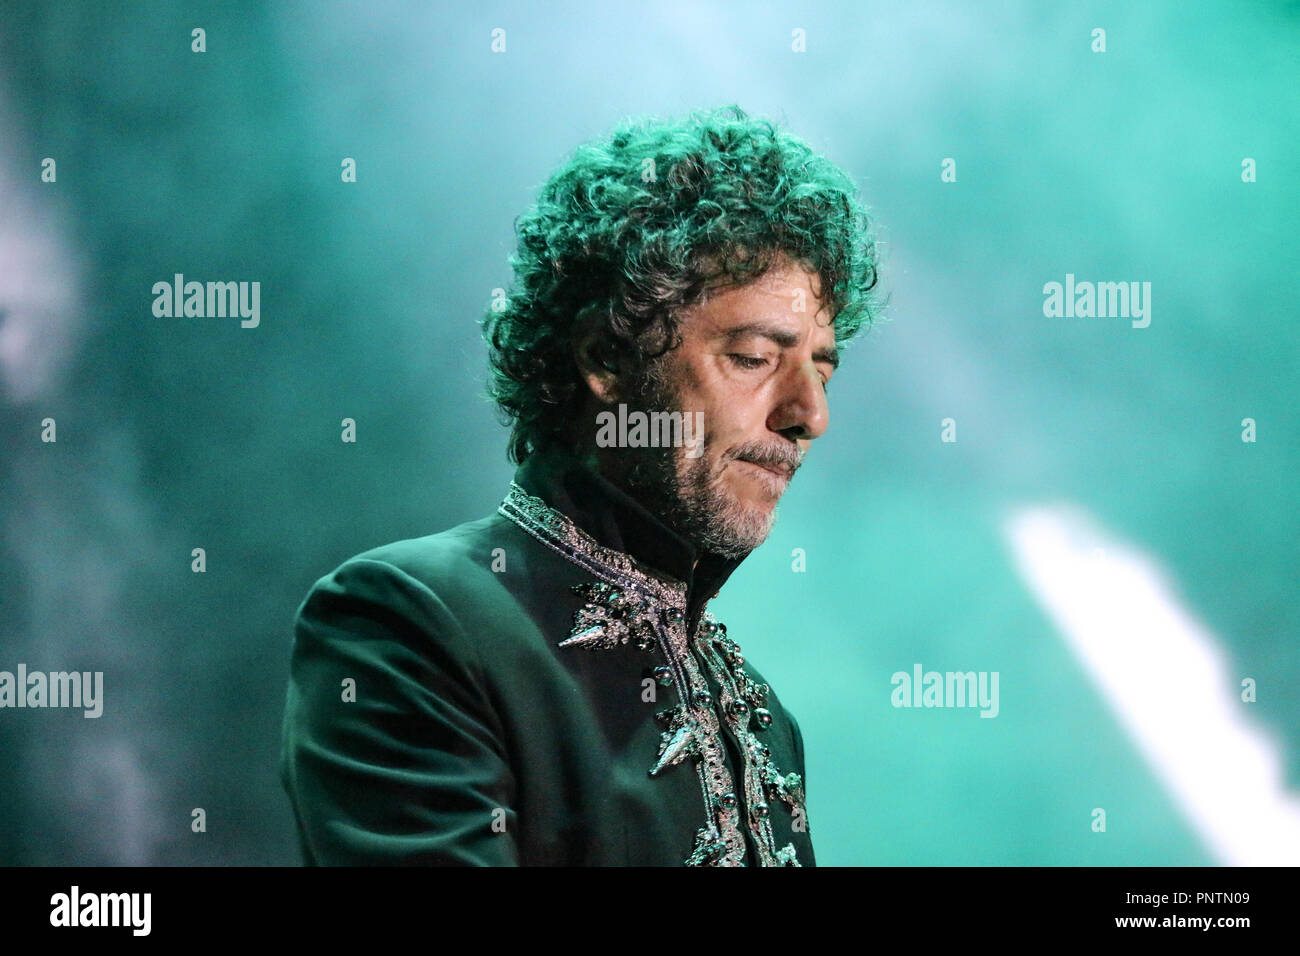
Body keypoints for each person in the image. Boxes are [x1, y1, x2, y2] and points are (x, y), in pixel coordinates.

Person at [279, 104, 881, 866]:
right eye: (757, 357)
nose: (811, 415)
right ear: (605, 357)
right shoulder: (410, 623)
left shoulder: (766, 720)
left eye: (822, 369)